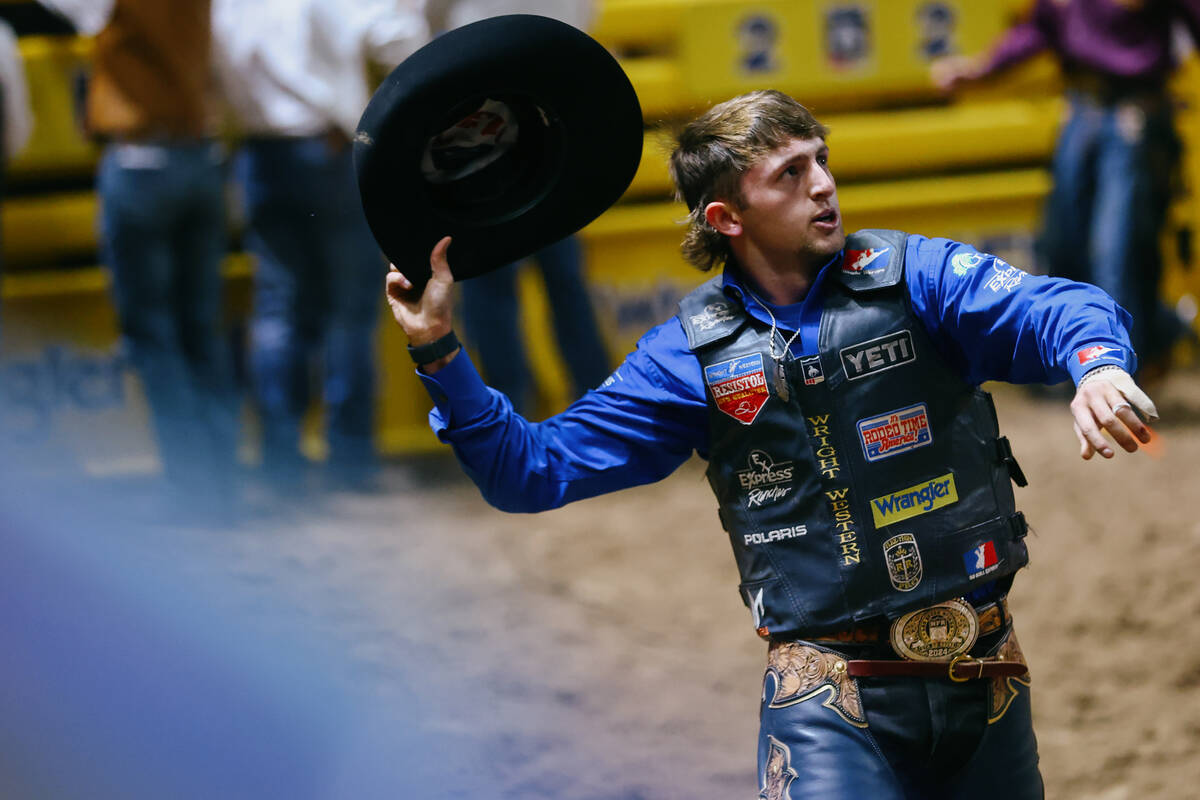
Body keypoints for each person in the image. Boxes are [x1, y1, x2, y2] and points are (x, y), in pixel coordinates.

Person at [386, 89, 1162, 797]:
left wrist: (1096, 367)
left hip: (985, 673)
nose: (822, 183)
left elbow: (1057, 307)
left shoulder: (916, 276)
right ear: (728, 218)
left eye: (820, 160)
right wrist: (439, 352)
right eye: (789, 174)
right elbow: (528, 471)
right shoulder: (685, 356)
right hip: (827, 702)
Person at [211, 0, 428, 494]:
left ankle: (281, 460)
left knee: (278, 309)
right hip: (328, 150)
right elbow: (398, 38)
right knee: (347, 313)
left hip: (260, 153)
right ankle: (350, 459)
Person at [40, 0, 239, 524]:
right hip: (199, 157)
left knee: (154, 336)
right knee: (202, 330)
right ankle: (225, 485)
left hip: (141, 162)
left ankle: (193, 490)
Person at [932, 0, 1200, 386]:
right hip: (1081, 109)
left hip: (1135, 111)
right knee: (1064, 246)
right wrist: (981, 70)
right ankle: (1097, 361)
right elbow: (1039, 28)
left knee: (1118, 249)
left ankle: (1123, 372)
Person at [426, 0, 612, 417]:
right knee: (561, 282)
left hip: (480, 122)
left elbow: (420, 23)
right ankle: (602, 406)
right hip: (545, 121)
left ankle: (509, 417)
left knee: (497, 289)